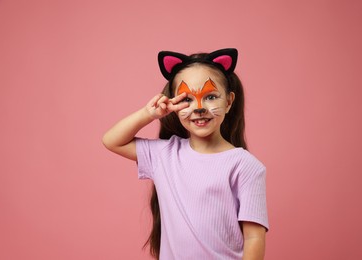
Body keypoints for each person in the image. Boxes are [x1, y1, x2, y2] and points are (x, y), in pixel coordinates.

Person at [102, 48, 269, 260]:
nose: (199, 108)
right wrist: (148, 114)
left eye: (210, 97)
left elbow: (254, 237)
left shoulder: (246, 166)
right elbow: (111, 140)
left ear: (228, 101)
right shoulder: (164, 154)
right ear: (173, 103)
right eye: (187, 99)